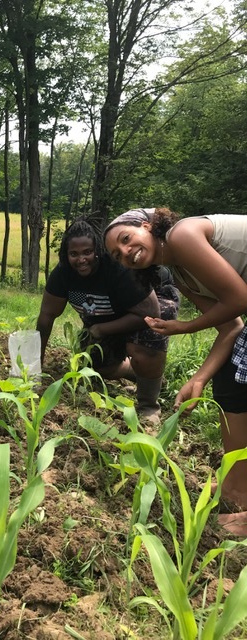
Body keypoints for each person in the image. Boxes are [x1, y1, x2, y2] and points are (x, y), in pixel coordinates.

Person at [104, 208, 247, 535]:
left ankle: (242, 497)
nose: (126, 253)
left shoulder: (181, 235)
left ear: (147, 226)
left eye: (126, 240)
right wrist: (198, 378)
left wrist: (186, 327)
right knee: (229, 379)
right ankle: (237, 488)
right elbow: (232, 327)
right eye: (118, 255)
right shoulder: (181, 273)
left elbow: (239, 299)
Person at [36, 217, 180, 424]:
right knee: (93, 363)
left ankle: (149, 404)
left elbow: (149, 313)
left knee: (144, 342)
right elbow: (46, 318)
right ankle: (143, 374)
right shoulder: (63, 274)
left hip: (151, 300)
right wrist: (36, 366)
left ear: (97, 251)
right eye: (74, 254)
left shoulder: (118, 269)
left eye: (87, 252)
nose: (81, 259)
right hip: (110, 315)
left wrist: (103, 329)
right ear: (66, 255)